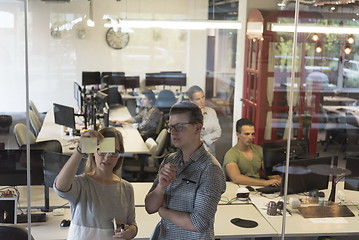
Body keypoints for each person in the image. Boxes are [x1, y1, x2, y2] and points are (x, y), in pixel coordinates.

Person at [145, 101, 226, 240]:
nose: (173, 132)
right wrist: (161, 187)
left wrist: (163, 211)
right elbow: (150, 207)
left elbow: (198, 223)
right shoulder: (170, 160)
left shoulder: (210, 169)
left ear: (197, 128)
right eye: (171, 127)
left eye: (180, 127)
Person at [54, 127, 137, 240]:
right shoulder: (82, 184)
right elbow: (60, 187)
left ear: (118, 155)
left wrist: (131, 231)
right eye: (102, 150)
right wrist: (79, 149)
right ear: (93, 151)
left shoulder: (126, 188)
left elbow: (132, 224)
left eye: (113, 152)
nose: (107, 157)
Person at [223, 118, 281, 186]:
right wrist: (264, 183)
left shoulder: (259, 150)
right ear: (238, 134)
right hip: (239, 190)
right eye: (247, 134)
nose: (250, 137)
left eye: (252, 134)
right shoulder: (231, 154)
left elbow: (269, 172)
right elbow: (236, 178)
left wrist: (278, 180)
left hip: (258, 189)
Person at [187, 85, 221, 157]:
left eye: (203, 97)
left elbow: (218, 132)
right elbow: (190, 136)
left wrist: (203, 139)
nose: (202, 101)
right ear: (191, 101)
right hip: (193, 154)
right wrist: (199, 117)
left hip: (210, 153)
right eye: (198, 99)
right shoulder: (186, 115)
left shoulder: (211, 112)